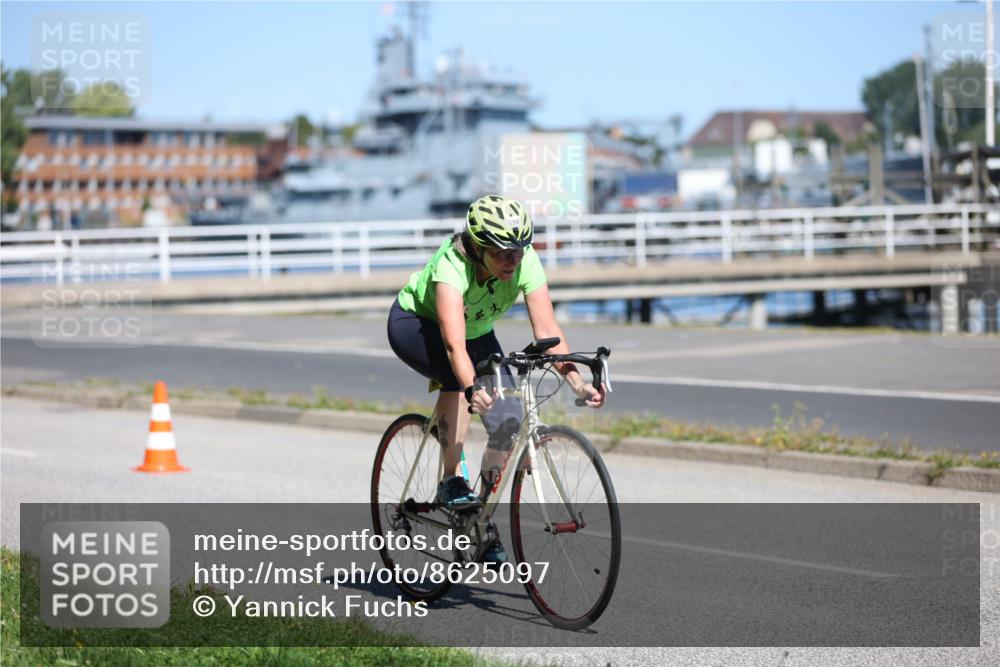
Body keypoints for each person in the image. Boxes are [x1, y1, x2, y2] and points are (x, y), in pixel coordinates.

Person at [387, 195, 605, 563]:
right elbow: (455, 345)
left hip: (478, 330)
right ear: (477, 247)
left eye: (518, 251)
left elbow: (548, 330)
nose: (513, 260)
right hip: (417, 326)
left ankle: (479, 522)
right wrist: (473, 388)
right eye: (502, 252)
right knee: (456, 382)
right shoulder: (451, 266)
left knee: (507, 424)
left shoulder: (526, 260)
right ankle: (450, 480)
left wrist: (578, 383)